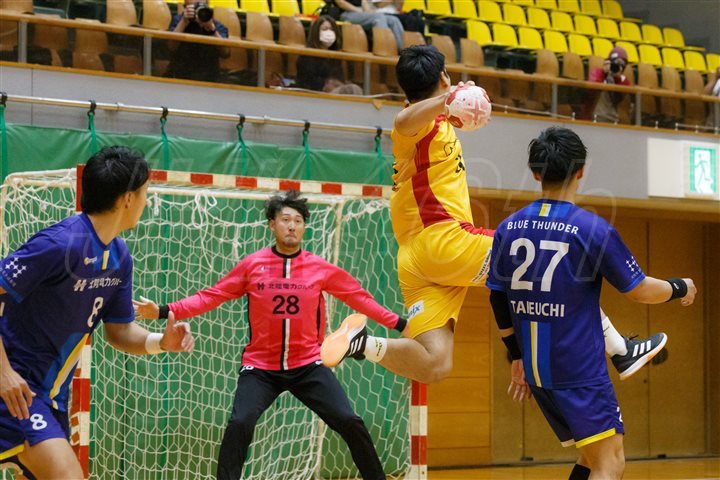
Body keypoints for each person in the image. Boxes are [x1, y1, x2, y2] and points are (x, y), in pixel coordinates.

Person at [322, 45, 667, 385]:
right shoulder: (416, 123)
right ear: (443, 77)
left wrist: (453, 106)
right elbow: (402, 121)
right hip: (444, 241)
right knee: (549, 259)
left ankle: (362, 343)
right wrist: (448, 100)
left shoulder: (436, 121)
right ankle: (621, 350)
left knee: (434, 364)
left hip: (417, 260)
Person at [133, 190, 404, 480]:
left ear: (304, 226)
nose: (292, 226)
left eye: (298, 221)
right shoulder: (252, 265)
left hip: (308, 365)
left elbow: (359, 298)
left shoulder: (319, 268)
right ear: (272, 225)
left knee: (349, 420)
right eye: (285, 219)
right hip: (260, 368)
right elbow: (211, 296)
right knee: (240, 423)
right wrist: (163, 311)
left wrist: (400, 324)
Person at [486, 126, 697, 480]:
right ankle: (623, 350)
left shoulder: (508, 227)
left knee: (591, 458)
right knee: (609, 463)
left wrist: (516, 356)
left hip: (537, 370)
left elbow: (497, 298)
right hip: (578, 369)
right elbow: (639, 290)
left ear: (536, 173)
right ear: (581, 171)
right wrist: (680, 287)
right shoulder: (591, 229)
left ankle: (623, 350)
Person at [0, 146, 195, 479]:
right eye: (145, 192)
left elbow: (119, 331)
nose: (146, 201)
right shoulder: (60, 244)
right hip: (15, 389)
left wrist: (161, 342)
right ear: (128, 199)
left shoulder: (119, 255)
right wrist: (3, 373)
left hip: (50, 397)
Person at [295, 15, 363, 95]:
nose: (329, 32)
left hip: (333, 93)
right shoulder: (306, 55)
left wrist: (340, 83)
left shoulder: (335, 55)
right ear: (316, 32)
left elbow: (338, 78)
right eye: (325, 29)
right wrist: (327, 84)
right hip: (314, 95)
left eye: (332, 29)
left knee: (354, 89)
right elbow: (307, 82)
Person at [167, 0, 229, 82]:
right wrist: (183, 22)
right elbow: (171, 47)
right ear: (185, 7)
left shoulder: (217, 25)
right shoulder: (178, 20)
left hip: (208, 77)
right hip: (179, 75)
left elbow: (225, 53)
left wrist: (212, 30)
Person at [582, 46, 632, 124]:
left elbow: (621, 95)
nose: (617, 66)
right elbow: (592, 89)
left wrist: (616, 78)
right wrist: (604, 73)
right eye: (615, 62)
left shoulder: (623, 80)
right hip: (593, 118)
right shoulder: (597, 72)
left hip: (612, 119)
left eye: (622, 64)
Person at [333, 0, 404, 50]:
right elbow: (340, 2)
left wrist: (369, 12)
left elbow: (364, 3)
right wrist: (358, 10)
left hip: (362, 13)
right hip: (347, 13)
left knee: (393, 20)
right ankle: (384, 48)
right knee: (378, 17)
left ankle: (402, 50)